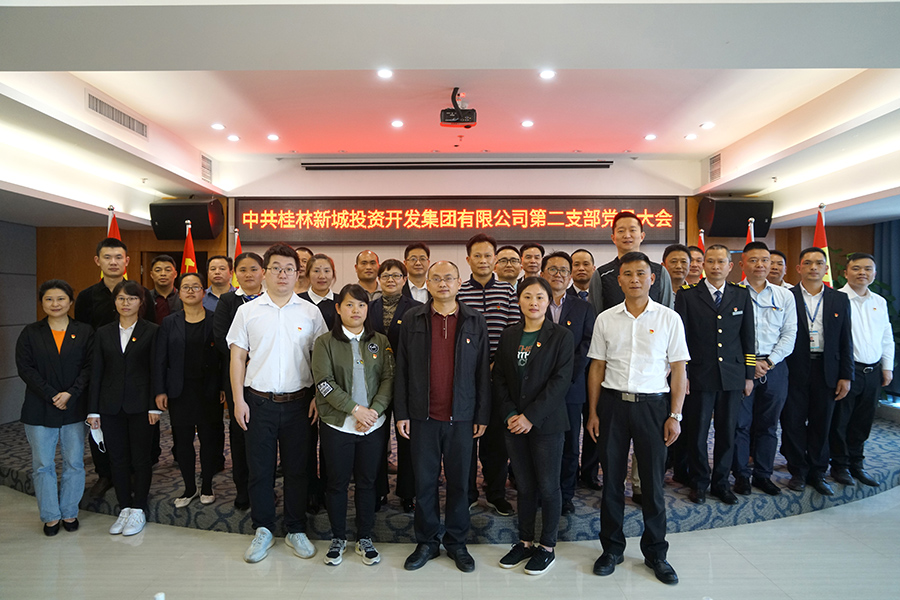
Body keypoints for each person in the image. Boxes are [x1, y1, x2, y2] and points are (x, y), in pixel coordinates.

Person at [586, 251, 688, 585]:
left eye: (640, 273)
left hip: (653, 408)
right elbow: (597, 367)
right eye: (627, 274)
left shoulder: (669, 318)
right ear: (619, 280)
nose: (634, 279)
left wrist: (675, 415)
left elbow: (678, 370)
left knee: (653, 484)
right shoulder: (606, 319)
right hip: (613, 406)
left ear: (652, 278)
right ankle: (611, 549)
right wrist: (593, 411)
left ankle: (656, 553)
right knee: (612, 482)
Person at [227, 244, 328, 563]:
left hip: (300, 404)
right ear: (264, 273)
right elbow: (237, 358)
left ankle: (296, 528)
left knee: (299, 469)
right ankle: (263, 528)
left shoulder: (311, 312)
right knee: (260, 469)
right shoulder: (247, 311)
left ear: (298, 274)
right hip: (258, 403)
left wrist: (318, 396)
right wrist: (238, 400)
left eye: (289, 269)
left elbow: (321, 359)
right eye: (276, 268)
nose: (282, 274)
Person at [394, 261, 491, 573]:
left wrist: (482, 413)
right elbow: (402, 368)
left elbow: (482, 371)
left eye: (449, 278)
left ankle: (457, 542)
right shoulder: (413, 318)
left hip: (462, 417)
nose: (443, 283)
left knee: (460, 484)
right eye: (436, 278)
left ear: (459, 282)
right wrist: (402, 412)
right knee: (424, 483)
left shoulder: (475, 320)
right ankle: (427, 541)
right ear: (428, 283)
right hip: (423, 417)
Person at [586, 211, 673, 498]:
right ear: (613, 236)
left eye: (632, 230)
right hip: (615, 367)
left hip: (651, 371)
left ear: (642, 235)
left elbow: (667, 311)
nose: (627, 235)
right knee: (614, 441)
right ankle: (613, 487)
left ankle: (640, 485)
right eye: (621, 230)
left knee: (648, 442)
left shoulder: (659, 271)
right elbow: (597, 316)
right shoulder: (603, 274)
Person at [493, 277, 574, 575]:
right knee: (525, 485)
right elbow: (499, 378)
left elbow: (560, 382)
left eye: (540, 297)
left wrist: (530, 417)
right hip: (514, 424)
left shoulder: (561, 336)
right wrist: (510, 414)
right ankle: (525, 542)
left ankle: (547, 547)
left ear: (548, 300)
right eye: (527, 296)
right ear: (519, 300)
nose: (533, 302)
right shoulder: (509, 335)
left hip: (546, 424)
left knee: (549, 486)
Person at [312, 284, 394, 567]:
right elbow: (324, 383)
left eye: (361, 304)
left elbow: (388, 379)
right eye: (349, 304)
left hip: (373, 425)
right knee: (336, 483)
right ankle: (338, 538)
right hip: (338, 425)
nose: (355, 310)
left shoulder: (380, 341)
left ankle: (365, 538)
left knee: (368, 483)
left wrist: (373, 412)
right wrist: (355, 410)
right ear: (338, 308)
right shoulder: (324, 342)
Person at [75, 237, 155, 499]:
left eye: (118, 257)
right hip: (100, 368)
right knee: (100, 424)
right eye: (107, 257)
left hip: (136, 373)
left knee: (138, 433)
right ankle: (104, 474)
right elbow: (83, 334)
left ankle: (132, 474)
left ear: (126, 261)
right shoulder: (86, 297)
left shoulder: (142, 293)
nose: (113, 262)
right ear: (97, 261)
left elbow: (150, 333)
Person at [674, 244, 755, 505]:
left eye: (721, 262)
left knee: (727, 432)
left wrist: (749, 375)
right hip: (700, 375)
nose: (715, 266)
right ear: (702, 265)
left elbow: (748, 337)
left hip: (732, 375)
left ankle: (721, 483)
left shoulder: (741, 295)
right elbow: (681, 339)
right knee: (697, 432)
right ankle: (699, 482)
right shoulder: (687, 295)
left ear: (730, 266)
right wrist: (684, 373)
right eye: (710, 261)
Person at [16, 279, 93, 536]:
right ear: (42, 303)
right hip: (39, 407)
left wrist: (71, 393)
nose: (55, 304)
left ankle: (70, 511)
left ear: (70, 302)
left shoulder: (84, 331)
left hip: (74, 406)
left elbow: (90, 367)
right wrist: (52, 395)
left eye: (61, 298)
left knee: (74, 462)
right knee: (42, 464)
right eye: (49, 299)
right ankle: (50, 516)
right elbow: (25, 368)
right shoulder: (31, 332)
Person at [87, 280, 160, 537]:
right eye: (121, 298)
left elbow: (156, 370)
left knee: (140, 458)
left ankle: (138, 508)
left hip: (142, 406)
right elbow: (97, 372)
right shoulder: (103, 332)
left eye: (131, 298)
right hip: (110, 405)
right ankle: (124, 507)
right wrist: (93, 410)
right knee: (117, 458)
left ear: (141, 302)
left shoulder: (152, 331)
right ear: (115, 302)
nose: (126, 303)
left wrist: (154, 406)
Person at [782, 247, 853, 496]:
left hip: (827, 369)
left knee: (822, 423)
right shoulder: (787, 296)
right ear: (798, 268)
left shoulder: (839, 299)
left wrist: (846, 375)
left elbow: (846, 339)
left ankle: (818, 471)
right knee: (792, 422)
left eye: (819, 263)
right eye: (808, 263)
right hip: (794, 369)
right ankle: (798, 471)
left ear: (826, 269)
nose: (813, 267)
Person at [457, 233, 519, 516]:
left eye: (487, 256)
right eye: (477, 256)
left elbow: (514, 332)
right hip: (465, 380)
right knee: (465, 439)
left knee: (496, 442)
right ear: (468, 259)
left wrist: (495, 366)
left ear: (495, 259)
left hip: (498, 378)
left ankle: (495, 493)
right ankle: (468, 492)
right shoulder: (459, 292)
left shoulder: (507, 291)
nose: (483, 260)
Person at [731, 242, 796, 496]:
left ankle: (763, 474)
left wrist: (769, 362)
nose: (760, 265)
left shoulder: (784, 295)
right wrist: (750, 364)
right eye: (754, 260)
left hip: (775, 367)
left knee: (768, 425)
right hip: (742, 368)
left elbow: (790, 334)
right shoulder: (734, 293)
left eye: (765, 260)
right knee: (740, 424)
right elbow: (729, 336)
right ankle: (741, 475)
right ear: (742, 264)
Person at [154, 272, 224, 507]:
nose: (191, 291)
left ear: (204, 292)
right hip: (179, 391)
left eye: (196, 287)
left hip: (209, 389)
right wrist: (160, 390)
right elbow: (161, 358)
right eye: (186, 287)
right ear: (180, 293)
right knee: (182, 441)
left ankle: (207, 485)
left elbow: (223, 357)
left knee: (209, 440)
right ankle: (189, 488)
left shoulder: (215, 319)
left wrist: (223, 386)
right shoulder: (169, 322)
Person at [540, 251, 595, 515]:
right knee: (541, 443)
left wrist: (564, 377)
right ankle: (542, 492)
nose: (558, 274)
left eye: (563, 270)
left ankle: (566, 494)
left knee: (570, 444)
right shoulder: (532, 303)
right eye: (552, 269)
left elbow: (587, 345)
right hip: (538, 389)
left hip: (572, 388)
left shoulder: (584, 308)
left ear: (570, 275)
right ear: (542, 274)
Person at [831, 253, 893, 487]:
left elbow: (886, 336)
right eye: (856, 268)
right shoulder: (836, 300)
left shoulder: (879, 301)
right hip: (847, 372)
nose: (862, 273)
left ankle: (857, 464)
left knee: (863, 421)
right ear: (845, 273)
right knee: (840, 421)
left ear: (874, 273)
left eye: (868, 269)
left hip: (873, 371)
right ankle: (840, 465)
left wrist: (887, 367)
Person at [368, 259, 422, 513]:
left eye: (396, 275)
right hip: (374, 383)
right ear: (378, 279)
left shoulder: (418, 309)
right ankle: (378, 490)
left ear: (404, 280)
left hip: (407, 382)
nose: (391, 280)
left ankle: (407, 492)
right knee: (376, 438)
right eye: (386, 275)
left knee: (408, 438)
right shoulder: (368, 307)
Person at [213, 252, 266, 510]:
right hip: (237, 376)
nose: (248, 274)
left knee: (265, 437)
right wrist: (248, 358)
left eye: (253, 269)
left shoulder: (272, 299)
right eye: (243, 270)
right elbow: (222, 338)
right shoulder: (227, 300)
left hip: (266, 377)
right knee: (240, 432)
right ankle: (242, 489)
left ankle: (264, 487)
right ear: (236, 274)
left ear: (263, 272)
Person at [300, 253, 338, 329]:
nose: (322, 276)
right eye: (316, 271)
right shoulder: (298, 301)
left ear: (333, 274)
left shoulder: (342, 301)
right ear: (308, 274)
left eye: (326, 271)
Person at [148, 254, 182, 322]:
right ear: (151, 274)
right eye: (158, 270)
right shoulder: (145, 297)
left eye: (168, 270)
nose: (163, 274)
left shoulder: (182, 297)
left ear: (175, 274)